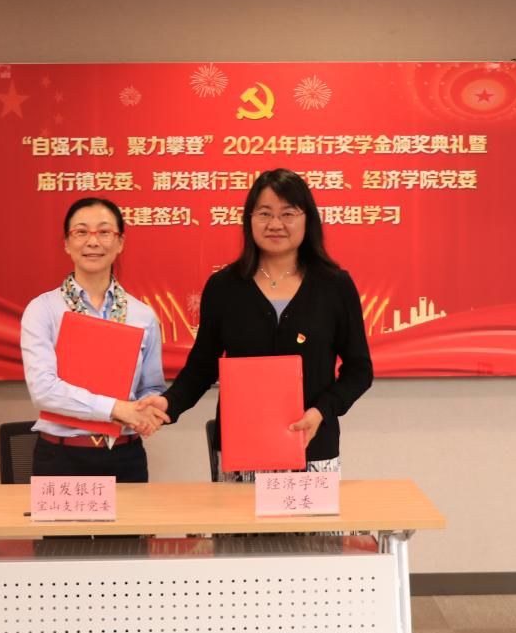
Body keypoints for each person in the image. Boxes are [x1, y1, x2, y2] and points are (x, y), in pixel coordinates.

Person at [148, 168, 373, 480]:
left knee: (310, 518)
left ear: (307, 219)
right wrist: (167, 404)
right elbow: (202, 367)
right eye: (265, 213)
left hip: (313, 449)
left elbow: (359, 370)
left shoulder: (335, 285)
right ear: (249, 219)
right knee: (238, 517)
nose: (275, 224)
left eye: (288, 213)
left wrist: (322, 411)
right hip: (242, 453)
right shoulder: (224, 287)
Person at [21, 197, 168, 482]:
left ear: (120, 242)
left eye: (104, 232)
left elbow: (151, 386)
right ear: (67, 244)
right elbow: (43, 390)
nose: (93, 241)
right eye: (81, 232)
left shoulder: (142, 315)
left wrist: (147, 409)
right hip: (61, 457)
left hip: (125, 456)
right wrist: (117, 409)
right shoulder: (43, 310)